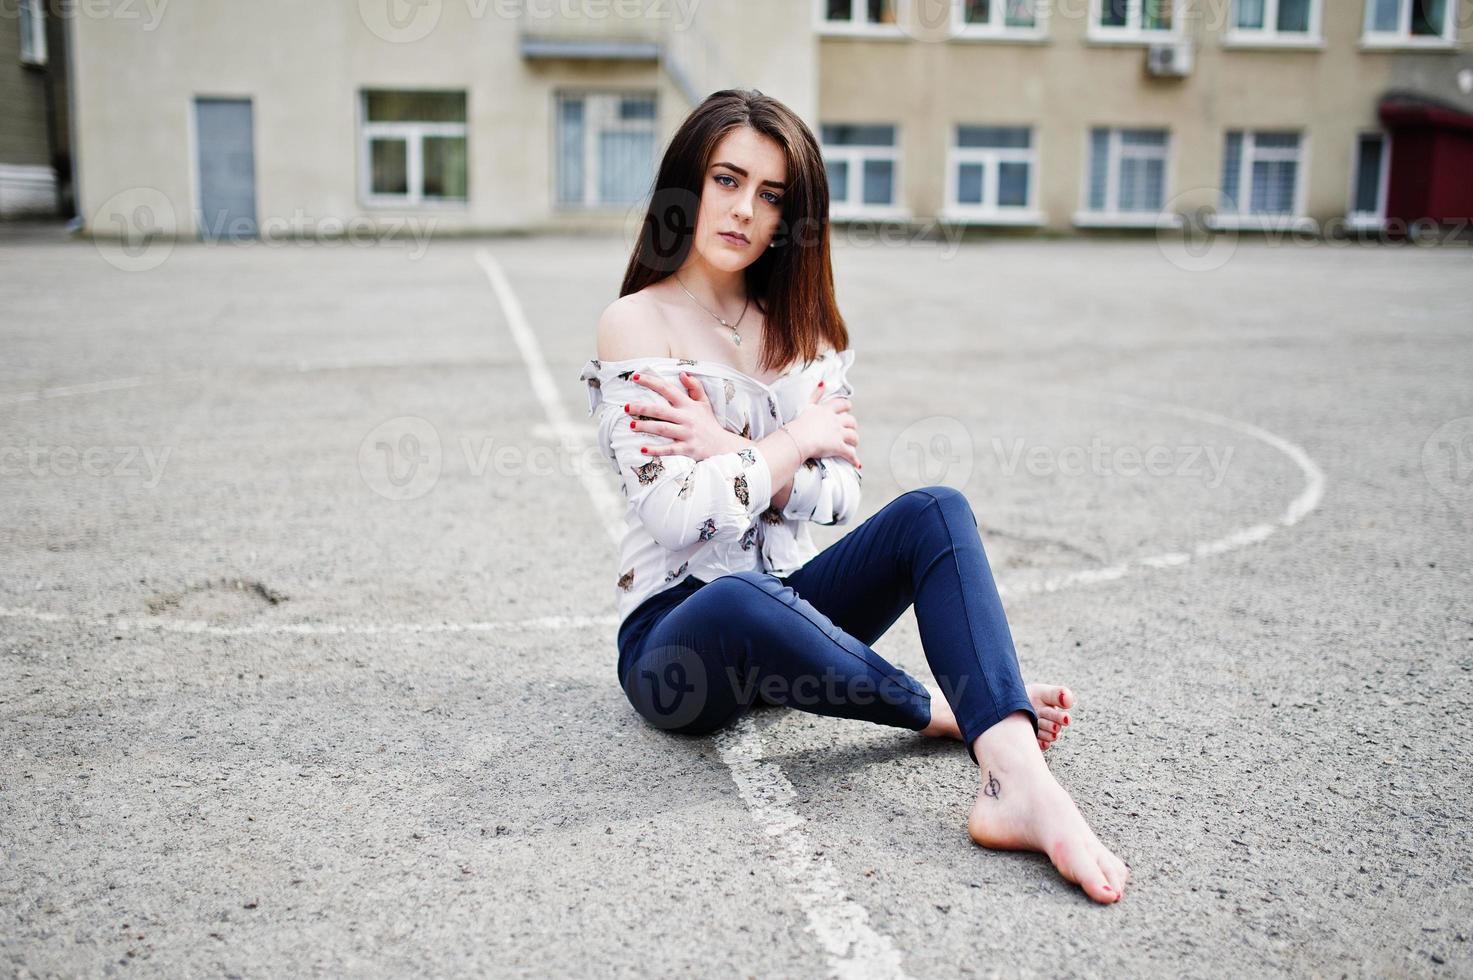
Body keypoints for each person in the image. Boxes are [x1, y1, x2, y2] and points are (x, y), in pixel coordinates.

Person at [576, 89, 1129, 904]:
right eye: (727, 181)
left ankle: (1018, 781)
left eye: (770, 197)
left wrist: (734, 450)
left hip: (792, 613)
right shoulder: (635, 324)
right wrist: (794, 442)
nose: (742, 212)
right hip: (679, 646)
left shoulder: (805, 331)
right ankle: (938, 707)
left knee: (934, 510)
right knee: (738, 594)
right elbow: (674, 513)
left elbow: (841, 496)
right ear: (685, 186)